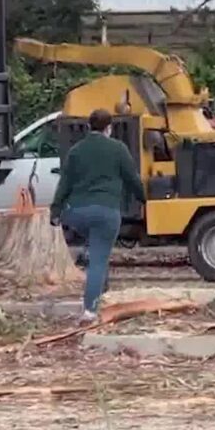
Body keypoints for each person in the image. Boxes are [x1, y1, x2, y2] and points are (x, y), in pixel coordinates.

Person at [50, 109, 147, 324]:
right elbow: (132, 178)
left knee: (96, 246)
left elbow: (64, 183)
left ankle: (89, 257)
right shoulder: (118, 149)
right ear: (109, 128)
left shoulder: (76, 151)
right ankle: (90, 310)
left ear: (88, 127)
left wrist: (55, 211)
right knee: (99, 261)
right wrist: (144, 198)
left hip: (77, 214)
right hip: (106, 213)